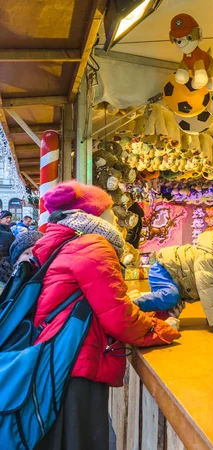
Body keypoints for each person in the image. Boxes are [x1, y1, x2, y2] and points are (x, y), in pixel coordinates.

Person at [32, 180, 180, 450]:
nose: (115, 218)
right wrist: (165, 329)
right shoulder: (92, 247)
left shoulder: (65, 242)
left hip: (58, 360)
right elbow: (119, 317)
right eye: (110, 210)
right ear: (93, 214)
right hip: (76, 364)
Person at [133, 226, 213, 333]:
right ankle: (133, 306)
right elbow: (209, 289)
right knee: (170, 296)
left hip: (177, 275)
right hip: (165, 269)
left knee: (167, 311)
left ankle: (143, 314)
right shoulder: (209, 259)